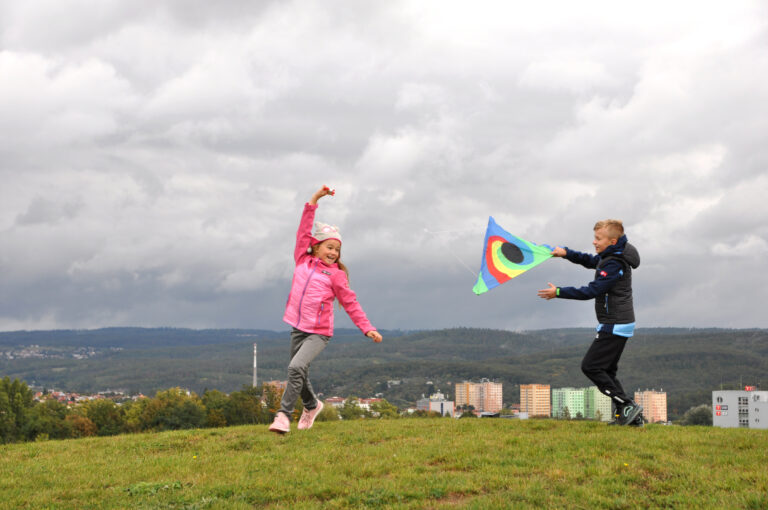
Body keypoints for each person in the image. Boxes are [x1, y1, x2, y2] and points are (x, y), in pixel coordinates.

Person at [269, 186, 383, 434]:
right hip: (298, 328)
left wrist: (368, 328)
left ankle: (283, 416)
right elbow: (302, 231)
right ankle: (312, 405)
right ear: (316, 246)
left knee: (295, 368)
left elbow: (351, 304)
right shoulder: (302, 259)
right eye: (329, 247)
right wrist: (313, 200)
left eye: (337, 249)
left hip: (318, 333)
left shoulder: (337, 276)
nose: (333, 252)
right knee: (300, 371)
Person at [537, 219, 643, 426]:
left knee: (591, 367)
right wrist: (566, 253)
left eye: (598, 239)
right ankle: (630, 418)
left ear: (612, 241)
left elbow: (592, 290)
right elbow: (591, 260)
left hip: (615, 323)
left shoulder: (614, 263)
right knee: (608, 371)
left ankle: (628, 404)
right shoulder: (612, 255)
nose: (594, 242)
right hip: (618, 322)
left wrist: (558, 292)